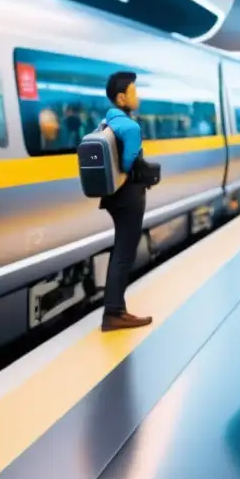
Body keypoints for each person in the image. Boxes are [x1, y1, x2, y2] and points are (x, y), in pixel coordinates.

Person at [100, 72, 154, 331]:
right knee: (124, 253)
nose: (138, 96)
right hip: (129, 195)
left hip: (112, 196)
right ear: (122, 97)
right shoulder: (130, 127)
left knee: (119, 251)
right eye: (134, 91)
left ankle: (114, 308)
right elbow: (128, 163)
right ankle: (114, 312)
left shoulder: (106, 121)